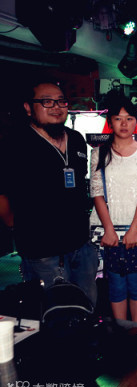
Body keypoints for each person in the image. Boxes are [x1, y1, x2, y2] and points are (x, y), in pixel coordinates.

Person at [0, 78, 99, 305]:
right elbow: (2, 194)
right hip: (42, 248)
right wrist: (16, 225)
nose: (56, 107)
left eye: (61, 101)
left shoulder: (76, 139)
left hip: (80, 244)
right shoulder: (14, 144)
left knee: (87, 305)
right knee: (53, 311)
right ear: (28, 108)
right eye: (47, 102)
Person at [89, 97, 137, 323]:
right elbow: (97, 192)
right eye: (118, 119)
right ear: (110, 122)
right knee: (116, 284)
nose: (124, 124)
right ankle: (121, 332)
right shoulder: (99, 153)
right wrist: (108, 229)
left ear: (136, 121)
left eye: (129, 118)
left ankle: (136, 331)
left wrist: (134, 229)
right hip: (110, 227)